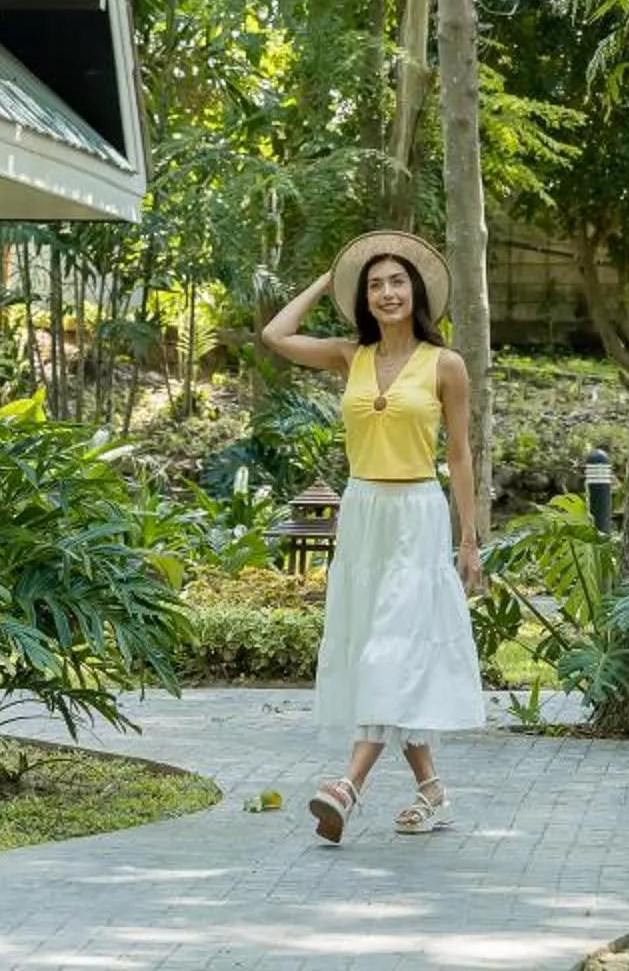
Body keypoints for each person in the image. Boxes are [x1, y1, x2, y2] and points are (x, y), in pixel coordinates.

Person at [258, 228, 485, 841]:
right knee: (378, 648)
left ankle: (348, 785)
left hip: (416, 513)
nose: (387, 292)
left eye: (397, 281)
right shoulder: (348, 355)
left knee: (392, 646)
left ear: (417, 292)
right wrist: (326, 280)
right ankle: (432, 792)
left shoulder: (446, 365)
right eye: (375, 284)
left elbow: (460, 456)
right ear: (364, 298)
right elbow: (275, 336)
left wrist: (468, 539)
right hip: (363, 514)